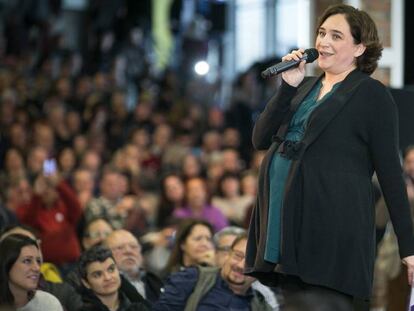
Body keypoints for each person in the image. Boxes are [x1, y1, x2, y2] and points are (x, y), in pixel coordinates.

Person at [245, 4, 414, 311]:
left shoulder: (372, 95)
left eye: (336, 36)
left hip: (332, 230)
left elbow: (391, 173)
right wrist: (287, 87)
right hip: (284, 227)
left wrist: (409, 248)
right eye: (322, 33)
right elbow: (260, 138)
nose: (323, 42)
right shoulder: (303, 86)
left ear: (359, 47)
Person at [153, 234, 272, 310]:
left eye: (251, 262)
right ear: (228, 254)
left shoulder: (262, 307)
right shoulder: (193, 278)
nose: (241, 266)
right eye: (237, 256)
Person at [0, 234, 63, 310]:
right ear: (6, 264)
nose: (37, 268)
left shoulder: (48, 303)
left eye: (38, 261)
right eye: (27, 261)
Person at [77, 245, 150, 311]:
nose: (108, 278)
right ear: (86, 283)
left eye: (111, 269)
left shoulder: (139, 308)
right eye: (98, 275)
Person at [104, 229, 163, 304]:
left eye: (133, 247)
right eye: (119, 248)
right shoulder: (106, 286)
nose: (128, 251)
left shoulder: (155, 281)